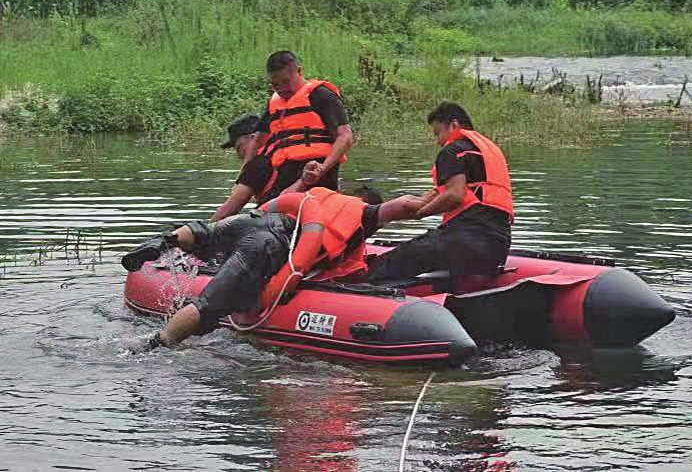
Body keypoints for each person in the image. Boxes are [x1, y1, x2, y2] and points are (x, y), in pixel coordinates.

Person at [121, 186, 411, 350]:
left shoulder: (321, 196)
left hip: (253, 221)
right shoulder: (363, 216)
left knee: (206, 234)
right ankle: (156, 345)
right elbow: (337, 273)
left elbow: (282, 200)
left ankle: (167, 240)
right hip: (267, 244)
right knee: (208, 305)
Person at [366, 101, 514, 283]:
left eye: (438, 133)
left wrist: (421, 213)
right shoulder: (485, 151)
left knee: (385, 266)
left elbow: (455, 195)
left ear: (454, 125)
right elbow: (447, 191)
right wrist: (418, 202)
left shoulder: (453, 150)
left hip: (464, 241)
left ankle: (367, 300)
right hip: (498, 246)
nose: (438, 141)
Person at [245, 51, 354, 196]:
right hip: (285, 178)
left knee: (274, 206)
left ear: (299, 71)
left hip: (319, 178)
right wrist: (244, 174)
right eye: (276, 84)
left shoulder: (321, 95)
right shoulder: (275, 103)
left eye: (286, 81)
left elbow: (345, 137)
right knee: (258, 209)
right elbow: (258, 140)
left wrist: (322, 168)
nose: (282, 88)